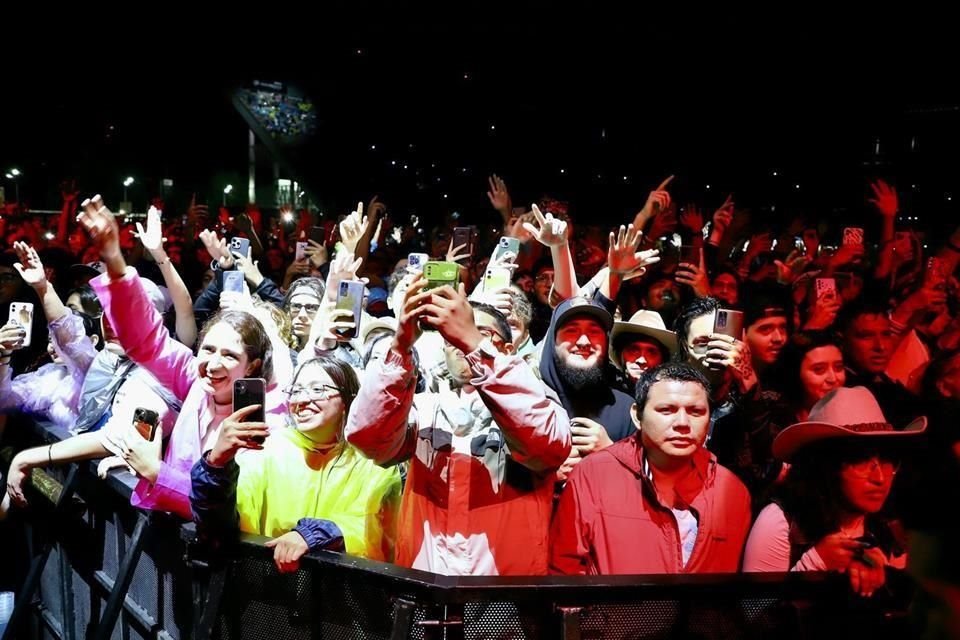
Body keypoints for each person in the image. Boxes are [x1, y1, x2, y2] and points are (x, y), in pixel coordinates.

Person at [75, 194, 285, 519]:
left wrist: (157, 473)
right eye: (208, 350)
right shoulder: (194, 380)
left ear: (253, 365)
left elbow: (233, 509)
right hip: (170, 550)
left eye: (229, 355)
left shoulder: (267, 419)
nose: (213, 363)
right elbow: (145, 337)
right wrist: (115, 260)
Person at [346, 274, 570, 575]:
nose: (461, 340)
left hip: (504, 600)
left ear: (506, 350)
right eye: (453, 335)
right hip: (427, 590)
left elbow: (547, 445)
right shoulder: (424, 408)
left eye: (483, 333)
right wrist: (399, 347)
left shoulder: (537, 398)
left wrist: (474, 345)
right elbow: (366, 438)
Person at [191, 354, 402, 571]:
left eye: (318, 389)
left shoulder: (374, 462)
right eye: (297, 391)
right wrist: (216, 464)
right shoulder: (268, 451)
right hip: (272, 591)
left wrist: (316, 535)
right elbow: (223, 524)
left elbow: (375, 531)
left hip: (341, 593)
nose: (302, 400)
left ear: (349, 400)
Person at [550, 362, 752, 574]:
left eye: (696, 412)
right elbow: (565, 567)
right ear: (638, 416)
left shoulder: (731, 491)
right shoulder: (594, 475)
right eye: (666, 410)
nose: (682, 423)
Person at [743, 386, 925, 598]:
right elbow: (752, 617)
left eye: (886, 460)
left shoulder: (888, 528)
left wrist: (887, 583)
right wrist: (814, 563)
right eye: (860, 460)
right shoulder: (781, 521)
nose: (880, 478)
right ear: (826, 466)